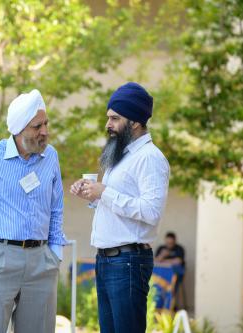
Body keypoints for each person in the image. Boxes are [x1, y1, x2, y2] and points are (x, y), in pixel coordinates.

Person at [0, 89, 67, 333]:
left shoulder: (51, 157)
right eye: (37, 126)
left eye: (46, 124)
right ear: (19, 129)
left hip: (41, 262)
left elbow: (57, 207)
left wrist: (55, 252)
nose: (45, 131)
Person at [70, 82, 170, 333]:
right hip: (107, 261)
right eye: (108, 118)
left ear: (135, 121)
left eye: (115, 118)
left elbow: (151, 211)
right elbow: (118, 204)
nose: (108, 125)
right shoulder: (122, 155)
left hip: (128, 262)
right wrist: (93, 195)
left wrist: (105, 191)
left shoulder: (150, 158)